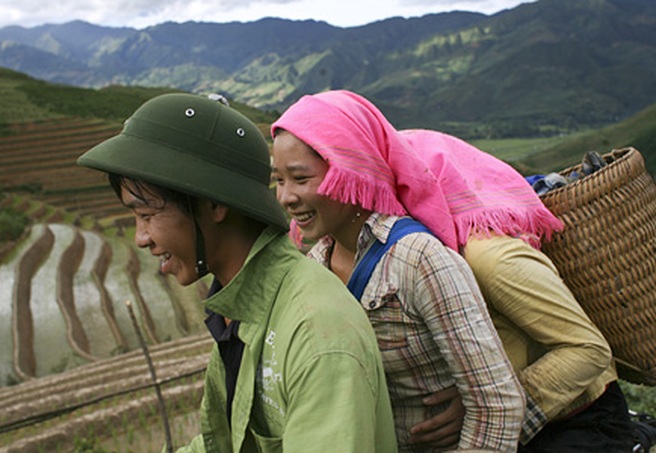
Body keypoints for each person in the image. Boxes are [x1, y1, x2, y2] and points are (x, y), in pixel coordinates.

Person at [270, 89, 636, 452]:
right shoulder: (358, 254)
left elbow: (587, 349)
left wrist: (492, 402)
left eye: (301, 179)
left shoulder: (487, 256)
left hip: (576, 421)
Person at [77, 92, 398, 453]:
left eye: (147, 215)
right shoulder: (239, 309)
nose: (141, 238)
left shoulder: (315, 334)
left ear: (213, 203)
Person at [271, 95, 526, 452]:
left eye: (300, 178)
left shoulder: (418, 261)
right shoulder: (314, 267)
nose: (286, 197)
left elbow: (497, 404)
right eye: (278, 180)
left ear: (348, 168)